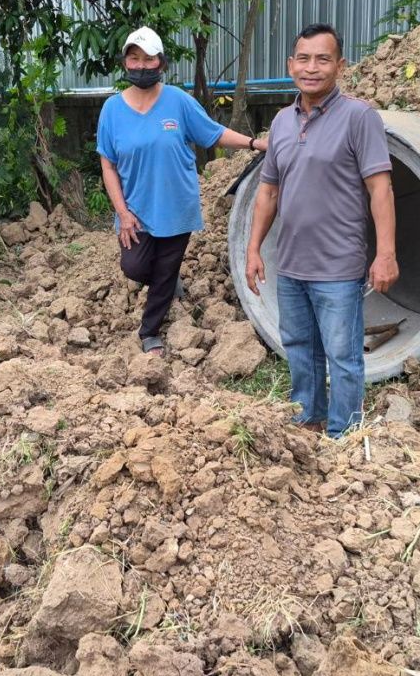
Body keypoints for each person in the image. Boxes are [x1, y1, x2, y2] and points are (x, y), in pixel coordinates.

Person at [245, 23, 398, 437]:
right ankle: (308, 419)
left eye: (323, 59)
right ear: (290, 64)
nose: (312, 68)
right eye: (304, 58)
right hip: (291, 264)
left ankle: (343, 434)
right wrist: (254, 249)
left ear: (339, 65)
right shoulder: (281, 121)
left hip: (338, 266)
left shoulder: (359, 118)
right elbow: (269, 193)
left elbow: (380, 189)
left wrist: (386, 254)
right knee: (299, 348)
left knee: (342, 354)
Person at [97, 26, 267, 354]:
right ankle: (167, 282)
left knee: (164, 268)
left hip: (177, 206)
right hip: (135, 209)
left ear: (162, 63)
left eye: (149, 59)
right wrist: (122, 211)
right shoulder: (112, 110)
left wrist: (253, 143)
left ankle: (150, 332)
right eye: (135, 59)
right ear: (125, 63)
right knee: (133, 266)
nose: (141, 66)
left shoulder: (178, 102)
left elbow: (213, 134)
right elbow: (108, 165)